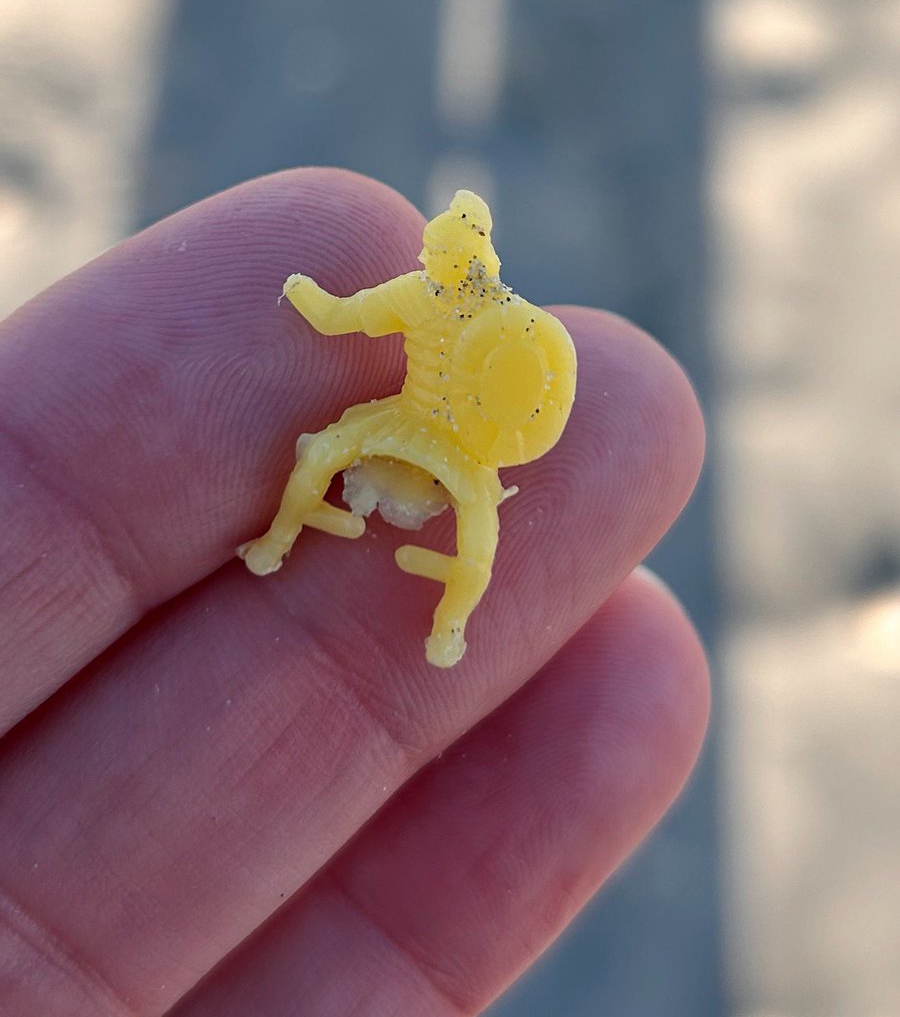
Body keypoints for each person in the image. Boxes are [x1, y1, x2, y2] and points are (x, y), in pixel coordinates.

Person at [0, 169, 709, 1016]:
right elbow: (342, 319)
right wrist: (305, 293)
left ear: (477, 258)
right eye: (444, 251)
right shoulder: (416, 295)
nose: (448, 261)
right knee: (317, 454)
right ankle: (279, 535)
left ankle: (450, 621)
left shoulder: (503, 322)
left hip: (459, 446)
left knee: (477, 530)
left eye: (459, 251)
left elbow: (530, 390)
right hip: (403, 422)